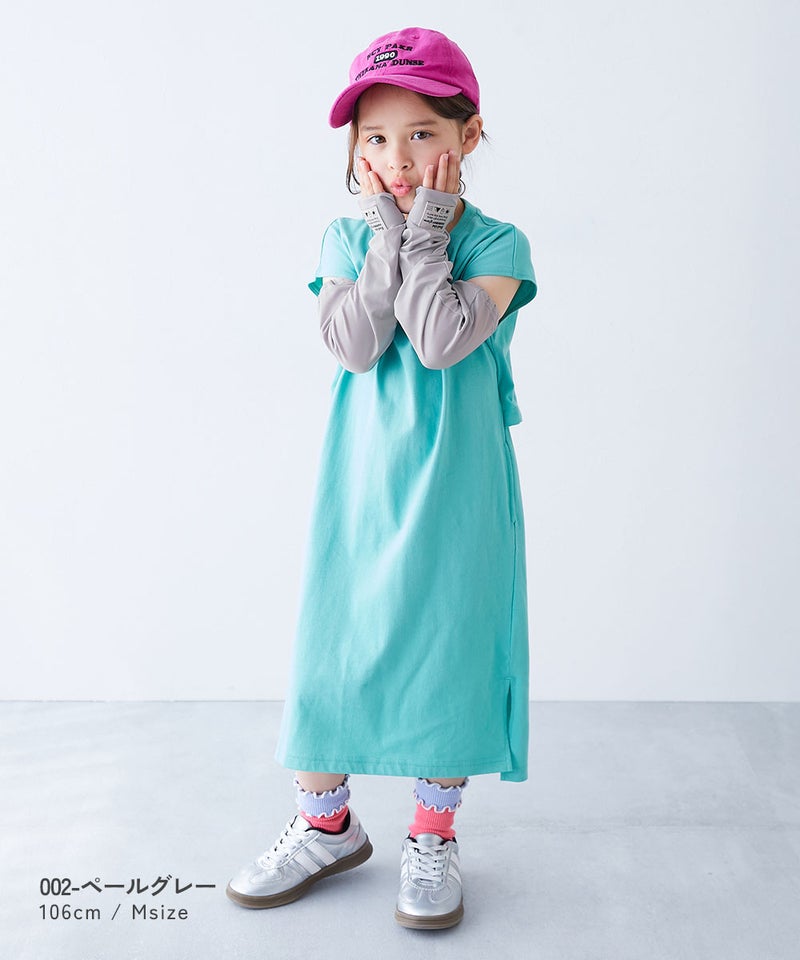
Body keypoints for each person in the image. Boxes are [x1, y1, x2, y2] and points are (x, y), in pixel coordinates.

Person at [226, 26, 538, 930]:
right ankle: (326, 825)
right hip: (360, 478)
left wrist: (428, 235)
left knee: (448, 645)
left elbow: (439, 341)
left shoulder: (499, 245)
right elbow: (356, 345)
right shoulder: (343, 236)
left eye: (422, 134)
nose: (397, 160)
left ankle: (432, 836)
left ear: (469, 136)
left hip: (457, 485)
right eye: (375, 138)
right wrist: (386, 240)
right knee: (334, 643)